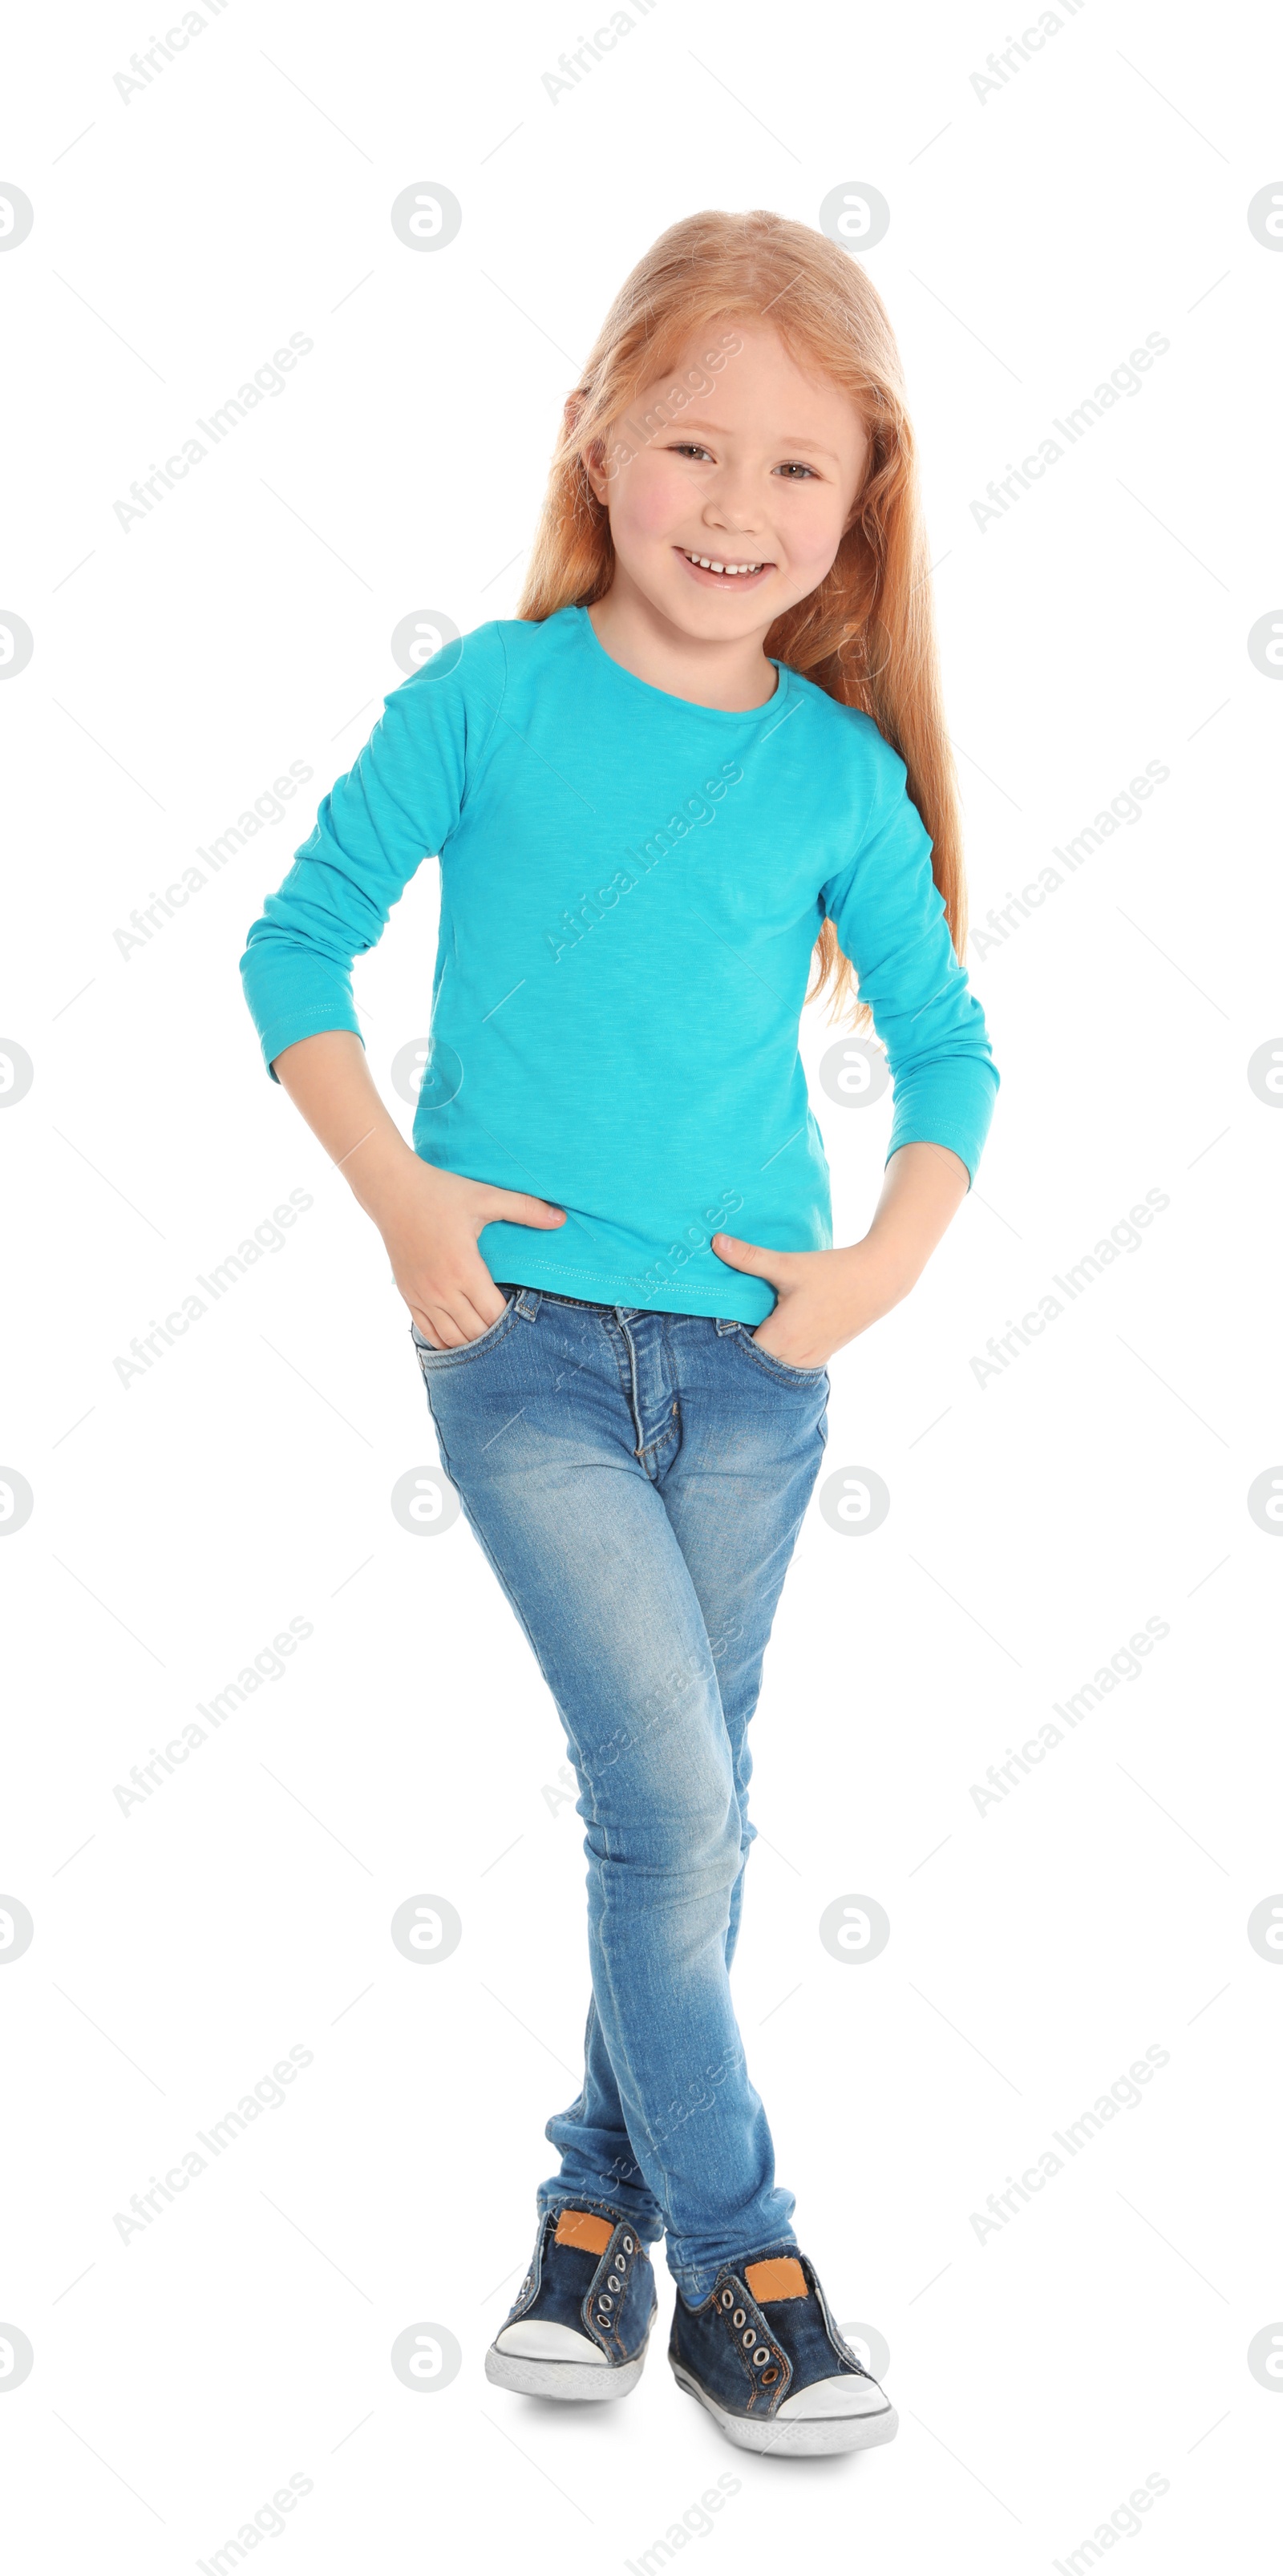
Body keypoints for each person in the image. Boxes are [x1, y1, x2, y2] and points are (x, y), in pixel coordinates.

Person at [240, 208, 999, 2458]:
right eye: (692, 449)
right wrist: (401, 1199)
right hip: (524, 1349)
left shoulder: (840, 777)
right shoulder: (488, 695)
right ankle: (746, 2268)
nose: (736, 511)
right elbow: (298, 954)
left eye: (798, 472)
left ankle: (591, 2215)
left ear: (864, 503)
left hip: (758, 1377)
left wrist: (874, 1267)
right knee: (667, 1800)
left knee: (697, 1820)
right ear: (595, 440)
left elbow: (952, 1063)